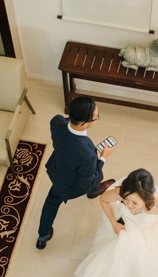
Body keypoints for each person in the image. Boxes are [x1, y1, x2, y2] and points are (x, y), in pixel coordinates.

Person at [36, 96, 116, 250]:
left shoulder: (57, 121)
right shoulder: (87, 154)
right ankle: (92, 191)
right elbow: (86, 181)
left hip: (58, 167)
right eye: (96, 117)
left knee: (52, 202)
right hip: (70, 184)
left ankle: (42, 236)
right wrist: (103, 157)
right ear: (85, 123)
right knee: (95, 176)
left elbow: (65, 122)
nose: (97, 119)